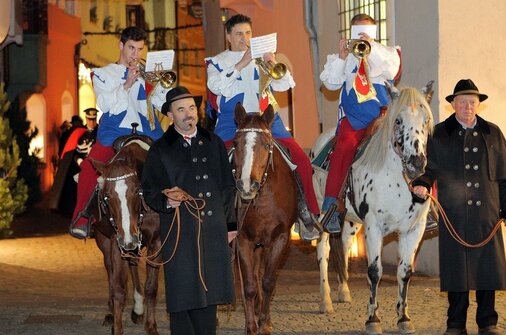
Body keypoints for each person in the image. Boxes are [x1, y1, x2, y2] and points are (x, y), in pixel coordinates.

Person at [412, 79, 506, 335]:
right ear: (453, 105)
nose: (468, 106)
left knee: (487, 269)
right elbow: (430, 169)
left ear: (478, 104)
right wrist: (423, 183)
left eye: (472, 102)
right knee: (457, 270)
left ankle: (487, 322)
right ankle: (455, 323)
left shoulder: (493, 133)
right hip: (454, 214)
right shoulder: (439, 134)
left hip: (487, 215)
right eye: (462, 102)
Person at [205, 13, 321, 240]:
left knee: (301, 159)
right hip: (232, 120)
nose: (244, 38)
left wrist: (271, 62)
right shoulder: (216, 62)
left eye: (248, 33)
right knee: (213, 162)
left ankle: (308, 212)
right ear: (228, 36)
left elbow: (285, 83)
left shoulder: (263, 59)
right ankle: (214, 216)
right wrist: (241, 63)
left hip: (266, 119)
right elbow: (215, 86)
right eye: (238, 34)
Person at [141, 86, 235, 335]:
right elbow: (150, 191)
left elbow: (227, 186)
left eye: (191, 108)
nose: (188, 114)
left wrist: (231, 226)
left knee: (210, 294)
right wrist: (167, 203)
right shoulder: (160, 149)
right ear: (170, 116)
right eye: (180, 109)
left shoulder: (214, 143)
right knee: (183, 295)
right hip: (180, 230)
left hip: (213, 230)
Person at [69, 26, 169, 239]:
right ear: (121, 45)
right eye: (131, 48)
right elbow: (105, 104)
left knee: (173, 162)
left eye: (139, 49)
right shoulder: (103, 74)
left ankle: (177, 215)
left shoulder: (146, 74)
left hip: (146, 132)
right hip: (114, 132)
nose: (135, 54)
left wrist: (159, 85)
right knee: (89, 168)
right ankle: (82, 217)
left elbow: (163, 105)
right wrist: (126, 84)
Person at [319, 13, 400, 233]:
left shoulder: (388, 52)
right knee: (343, 147)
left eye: (366, 31)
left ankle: (422, 200)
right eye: (357, 31)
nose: (362, 36)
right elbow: (330, 84)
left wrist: (371, 47)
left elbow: (391, 71)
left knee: (410, 142)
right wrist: (342, 58)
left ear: (374, 33)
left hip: (382, 114)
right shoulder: (343, 56)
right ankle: (332, 208)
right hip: (354, 117)